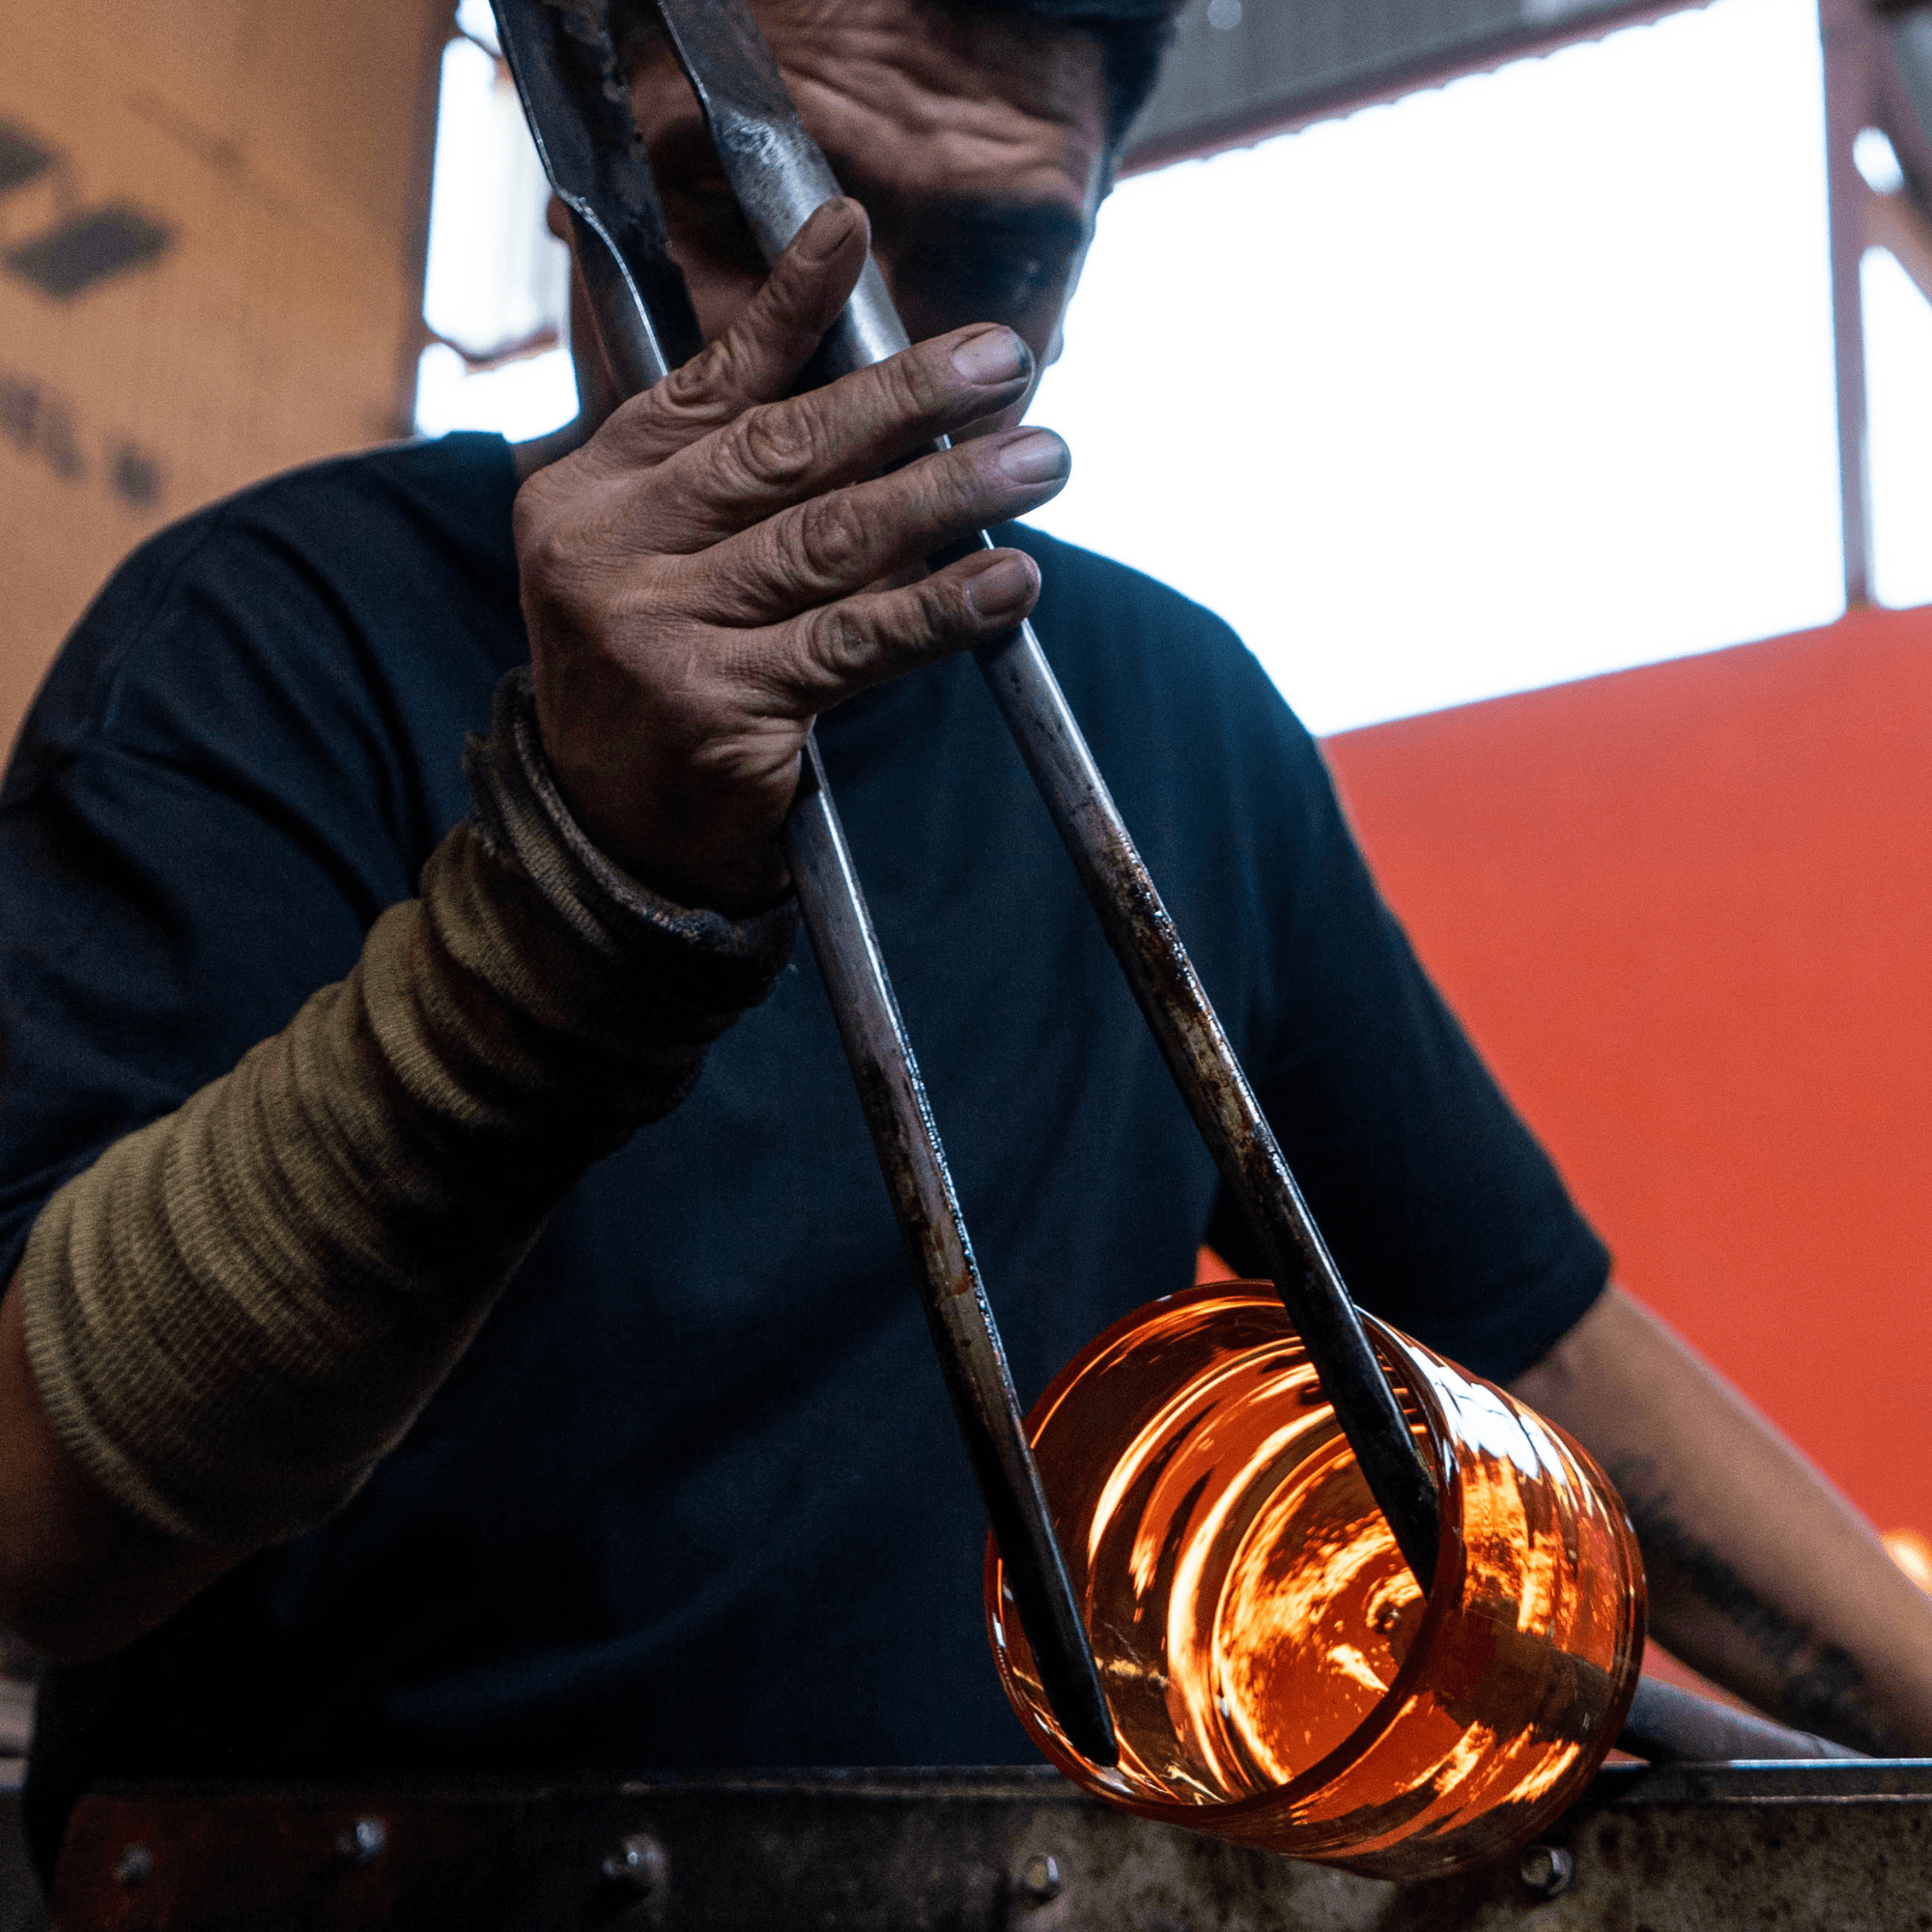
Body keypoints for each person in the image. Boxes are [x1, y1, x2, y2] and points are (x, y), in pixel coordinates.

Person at [3, 0, 1931, 1886]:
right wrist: (573, 897)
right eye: (742, 216)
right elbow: (34, 1512)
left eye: (998, 252)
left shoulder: (1168, 718)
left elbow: (1531, 1339)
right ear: (569, 162)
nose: (865, 352)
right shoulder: (277, 635)